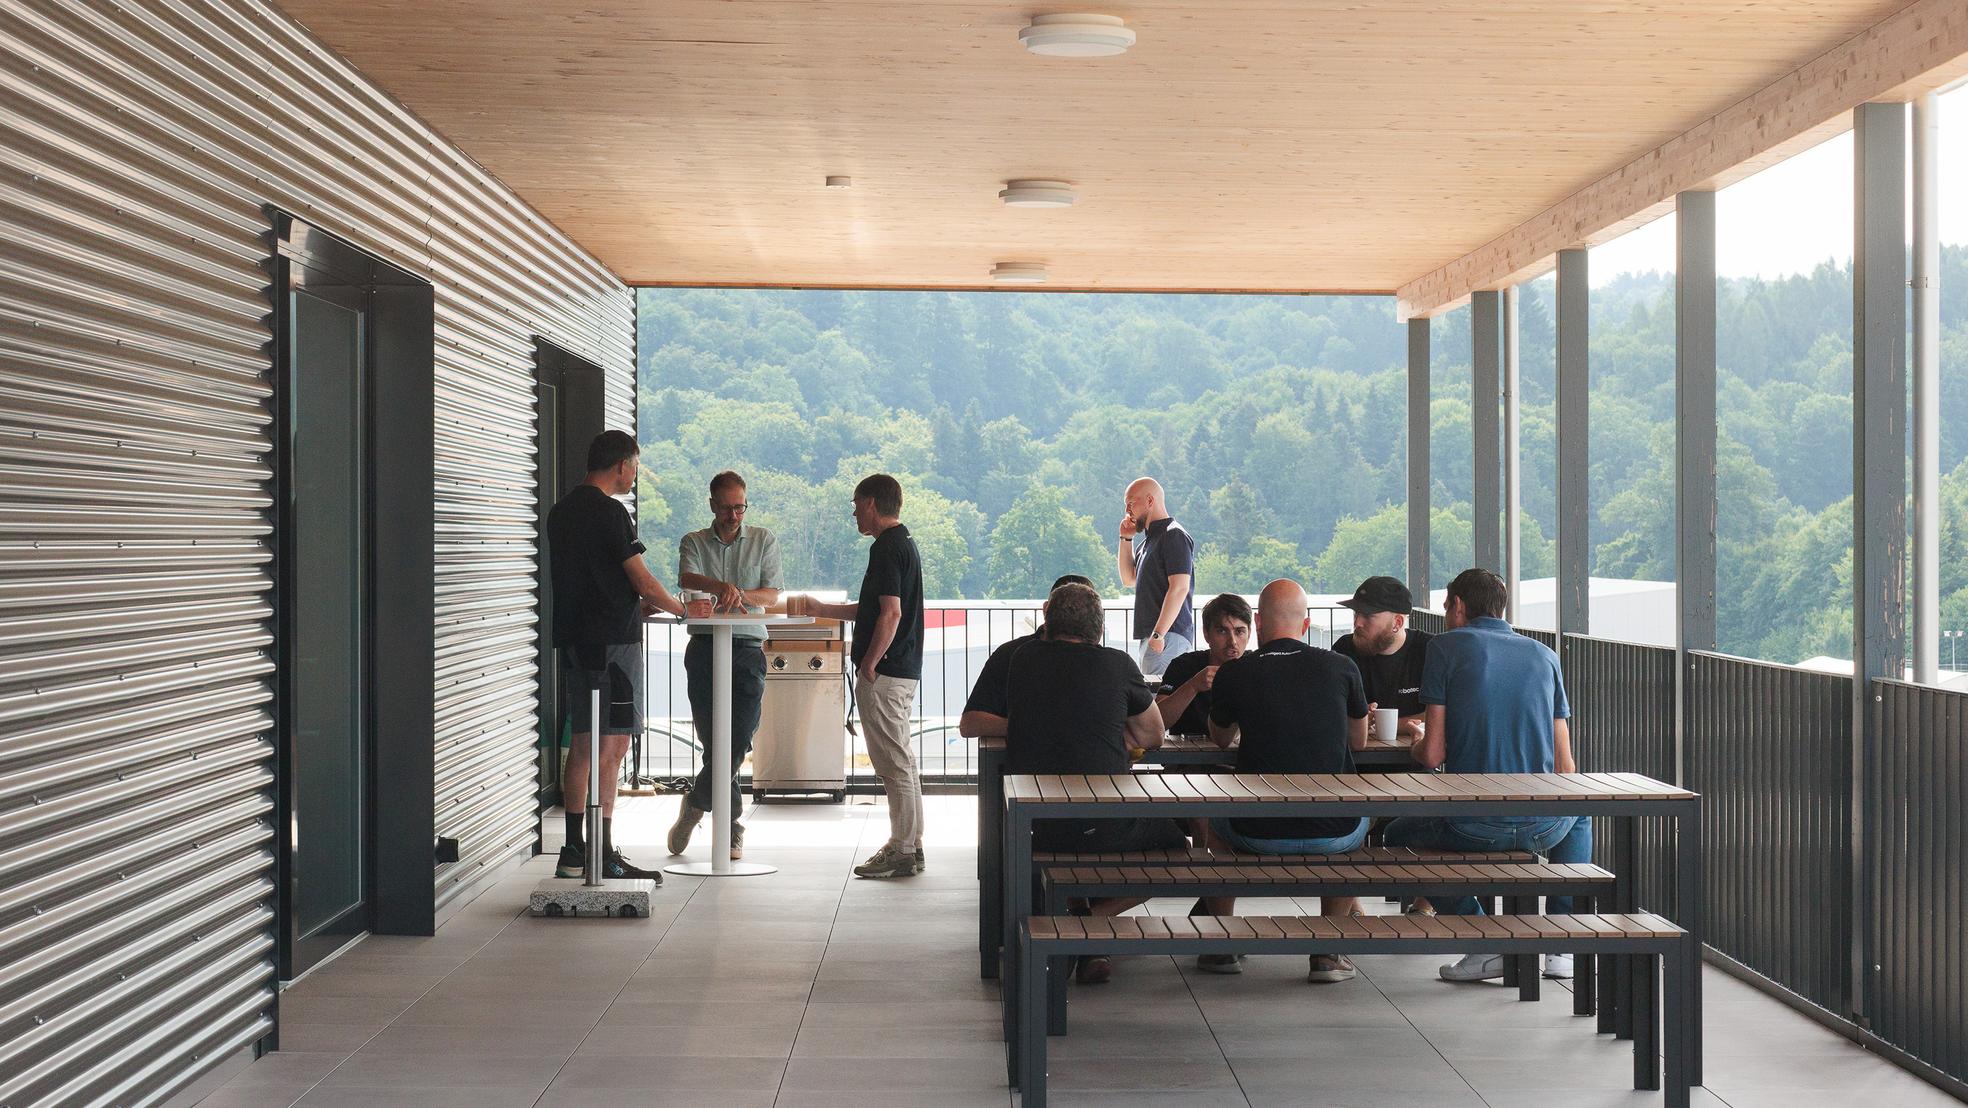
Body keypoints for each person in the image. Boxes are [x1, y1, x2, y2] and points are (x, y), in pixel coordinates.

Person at [1382, 567, 1591, 983]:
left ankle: (1484, 938)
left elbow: (1433, 755)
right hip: (1544, 825)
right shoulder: (1545, 655)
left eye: (1446, 607)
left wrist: (1416, 741)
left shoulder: (1444, 648)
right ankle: (1562, 944)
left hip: (1473, 825)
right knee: (1581, 814)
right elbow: (1566, 768)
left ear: (1458, 606)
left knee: (1395, 836)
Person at [1003, 581, 1184, 984]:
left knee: (1075, 845)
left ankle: (1080, 921)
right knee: (1176, 848)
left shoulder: (1023, 660)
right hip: (1104, 825)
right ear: (1099, 629)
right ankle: (1090, 922)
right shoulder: (1118, 665)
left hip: (1034, 827)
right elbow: (1153, 735)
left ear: (1047, 622)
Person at [1204, 579, 1369, 982]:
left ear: (1258, 623)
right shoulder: (1342, 667)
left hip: (1255, 831)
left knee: (1214, 826)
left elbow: (1221, 737)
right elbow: (1359, 741)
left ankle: (1221, 946)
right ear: (1306, 625)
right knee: (1360, 818)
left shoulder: (1235, 673)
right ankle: (1327, 953)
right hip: (1334, 833)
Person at [545, 430, 684, 883]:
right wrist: (683, 609)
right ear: (622, 465)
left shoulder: (560, 511)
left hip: (575, 642)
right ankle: (603, 852)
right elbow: (642, 580)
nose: (635, 475)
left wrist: (629, 605)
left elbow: (593, 580)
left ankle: (572, 850)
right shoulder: (611, 512)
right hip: (614, 647)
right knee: (613, 746)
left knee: (583, 742)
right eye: (635, 467)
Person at [786, 474, 926, 879]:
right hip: (902, 670)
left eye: (856, 504)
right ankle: (912, 844)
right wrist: (822, 609)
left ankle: (901, 849)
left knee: (893, 763)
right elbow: (874, 609)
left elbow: (891, 614)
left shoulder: (885, 548)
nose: (853, 513)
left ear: (871, 503)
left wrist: (869, 663)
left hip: (886, 673)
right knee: (903, 761)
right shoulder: (904, 543)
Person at [668, 471, 783, 861]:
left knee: (738, 737)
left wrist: (739, 594)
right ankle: (732, 825)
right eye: (726, 507)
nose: (733, 515)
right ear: (712, 505)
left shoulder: (764, 540)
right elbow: (687, 576)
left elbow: (770, 594)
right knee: (713, 739)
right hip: (704, 647)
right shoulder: (694, 541)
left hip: (747, 647)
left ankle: (697, 803)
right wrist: (719, 587)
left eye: (740, 507)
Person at [957, 574, 1095, 739]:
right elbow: (970, 724)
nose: (1073, 619)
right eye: (1066, 610)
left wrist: (1029, 726)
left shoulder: (1105, 664)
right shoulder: (1009, 655)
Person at [1332, 575, 1433, 743]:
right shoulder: (1344, 650)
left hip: (1415, 755)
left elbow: (1442, 714)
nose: (1357, 623)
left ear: (1397, 623)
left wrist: (1375, 724)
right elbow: (1330, 712)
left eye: (1368, 616)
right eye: (1356, 613)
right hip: (1358, 757)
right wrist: (1357, 719)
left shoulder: (1430, 650)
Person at [1115, 477, 1195, 677]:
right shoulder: (1149, 542)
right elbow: (1128, 579)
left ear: (1150, 500)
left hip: (1167, 636)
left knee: (1161, 694)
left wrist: (1159, 634)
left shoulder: (1173, 535)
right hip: (1155, 637)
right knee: (1155, 692)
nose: (1127, 511)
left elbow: (1180, 587)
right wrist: (1126, 538)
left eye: (1131, 503)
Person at [1154, 593, 1252, 736]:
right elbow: (1156, 724)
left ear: (1249, 634)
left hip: (1242, 750)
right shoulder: (1183, 665)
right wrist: (1193, 686)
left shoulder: (1257, 666)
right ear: (1206, 634)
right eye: (1222, 631)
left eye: (1239, 632)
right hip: (1186, 749)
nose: (1232, 641)